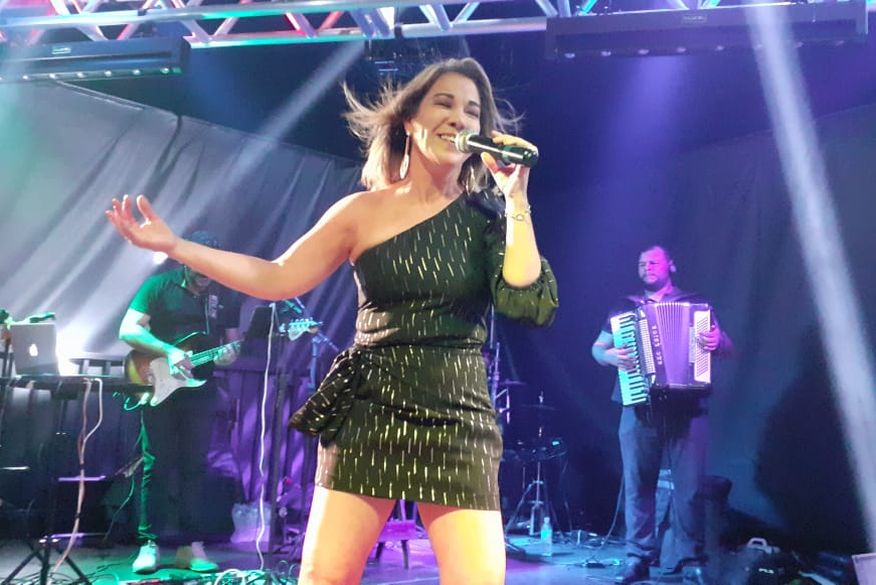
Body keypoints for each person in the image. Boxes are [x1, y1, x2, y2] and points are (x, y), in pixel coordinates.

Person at [107, 57, 558, 585]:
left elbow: (526, 298)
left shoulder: (489, 219)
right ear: (409, 120)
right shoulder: (360, 212)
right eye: (445, 103)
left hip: (457, 410)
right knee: (325, 577)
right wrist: (177, 246)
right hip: (372, 403)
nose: (460, 118)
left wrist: (516, 198)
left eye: (473, 111)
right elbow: (278, 276)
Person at [591, 245, 732, 584]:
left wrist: (717, 341)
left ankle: (691, 560)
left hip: (688, 407)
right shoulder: (624, 307)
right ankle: (637, 559)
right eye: (641, 263)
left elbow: (725, 346)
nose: (647, 267)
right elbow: (597, 347)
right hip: (639, 405)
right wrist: (609, 357)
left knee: (690, 489)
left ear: (671, 265)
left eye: (653, 262)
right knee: (638, 486)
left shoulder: (695, 304)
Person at [119, 231, 240, 574]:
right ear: (185, 260)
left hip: (200, 387)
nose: (205, 275)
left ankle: (192, 546)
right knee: (156, 462)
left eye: (210, 268)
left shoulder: (225, 295)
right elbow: (128, 329)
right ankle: (149, 543)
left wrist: (229, 354)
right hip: (157, 382)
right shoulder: (159, 286)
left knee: (195, 466)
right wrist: (169, 351)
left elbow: (231, 345)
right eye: (199, 267)